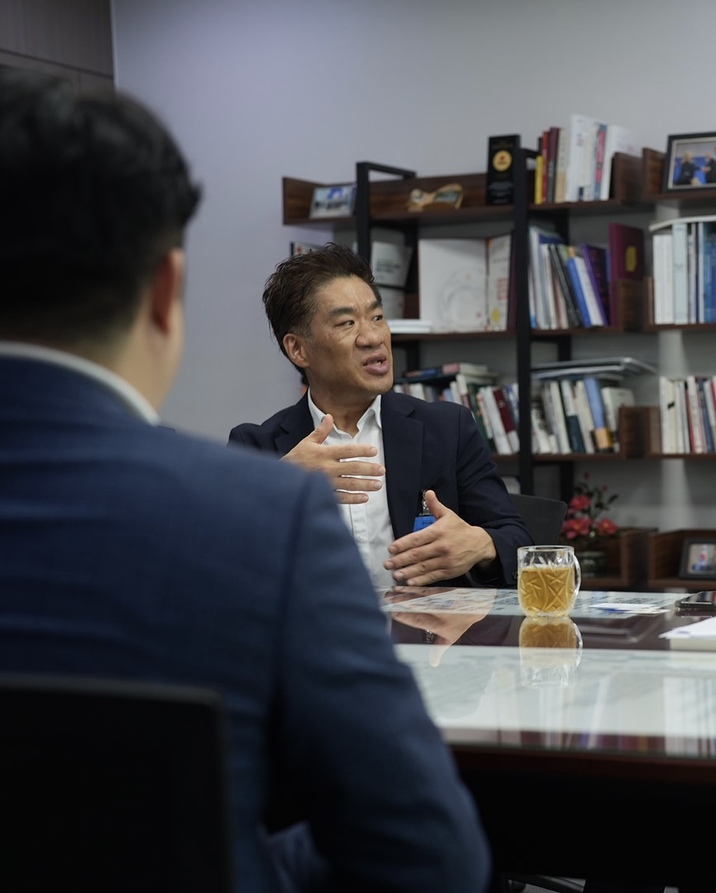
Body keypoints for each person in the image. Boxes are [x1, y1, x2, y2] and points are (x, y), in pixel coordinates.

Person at [0, 70, 489, 892]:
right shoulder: (263, 510)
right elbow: (428, 854)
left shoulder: (425, 434)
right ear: (165, 292)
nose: (372, 335)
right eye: (348, 320)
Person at [228, 244, 530, 592]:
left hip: (427, 626)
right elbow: (223, 567)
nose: (373, 337)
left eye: (377, 317)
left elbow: (519, 542)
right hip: (314, 625)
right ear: (298, 349)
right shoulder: (257, 448)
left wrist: (480, 545)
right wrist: (277, 487)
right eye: (347, 323)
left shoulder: (448, 429)